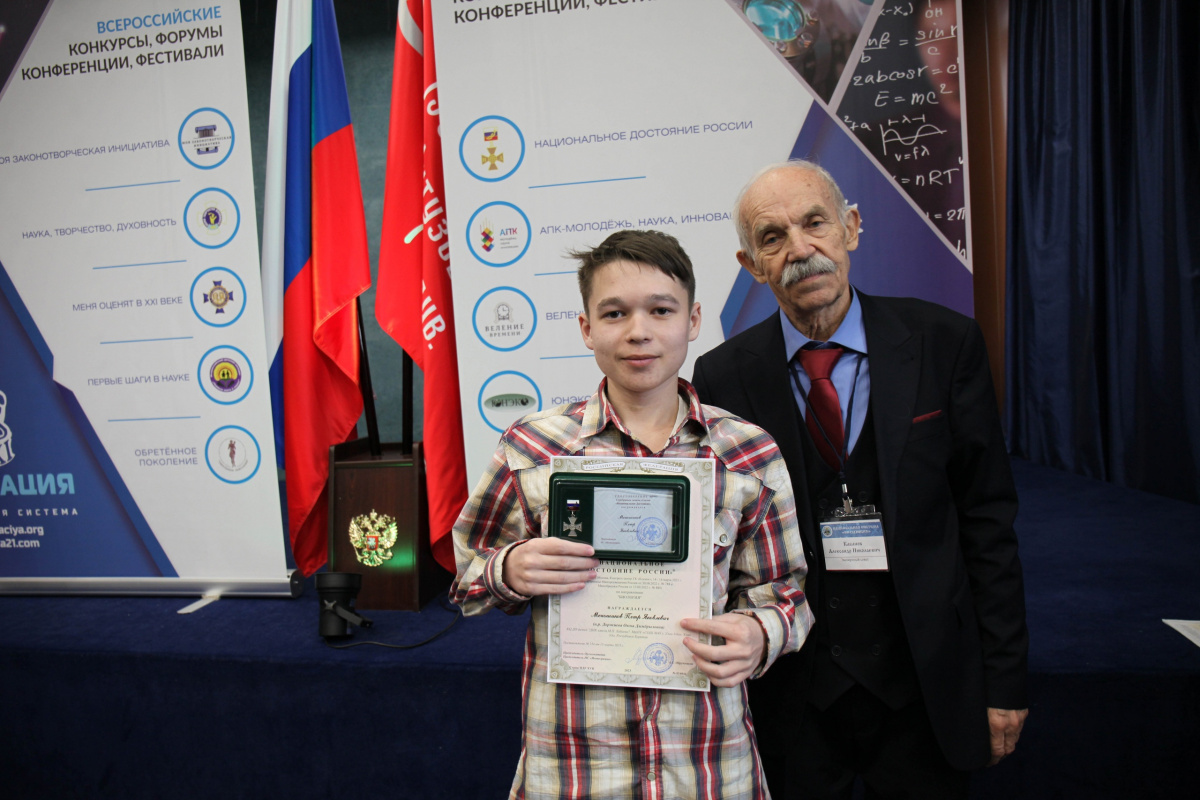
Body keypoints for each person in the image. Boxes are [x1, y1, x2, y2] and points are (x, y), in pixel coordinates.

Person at [691, 161, 1029, 799]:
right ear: (751, 264)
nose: (800, 249)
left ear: (850, 227)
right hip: (792, 693)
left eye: (815, 222)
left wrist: (1004, 679)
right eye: (772, 238)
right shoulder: (722, 376)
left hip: (925, 685)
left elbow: (987, 521)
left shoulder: (944, 342)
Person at [450, 229, 815, 800]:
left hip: (707, 768)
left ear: (693, 320)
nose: (638, 331)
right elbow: (468, 576)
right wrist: (511, 569)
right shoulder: (533, 447)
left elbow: (785, 593)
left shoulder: (747, 453)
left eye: (661, 310)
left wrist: (759, 633)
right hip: (571, 767)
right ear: (586, 328)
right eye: (614, 313)